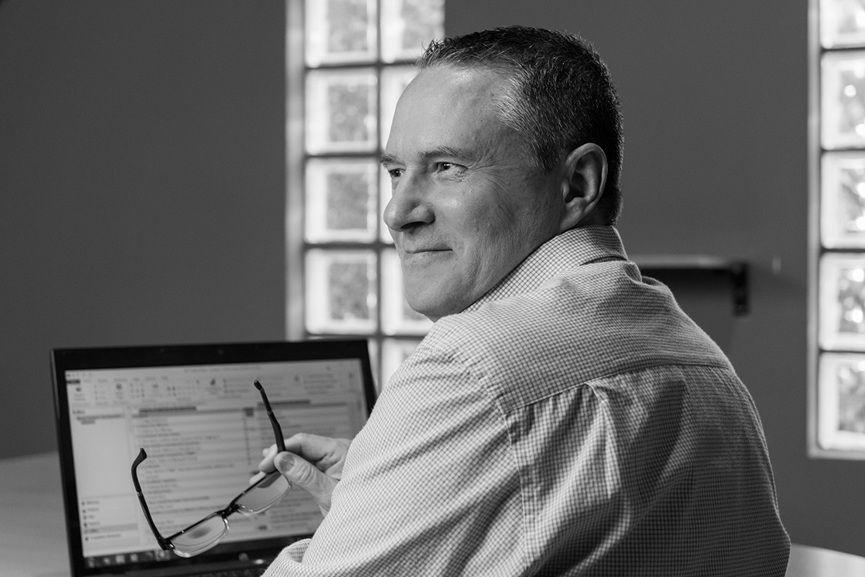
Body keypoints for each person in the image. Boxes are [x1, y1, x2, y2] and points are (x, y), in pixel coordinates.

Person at [260, 26, 790, 576]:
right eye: (397, 172)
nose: (399, 213)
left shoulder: (469, 369)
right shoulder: (704, 363)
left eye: (448, 168)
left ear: (577, 184)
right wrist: (381, 505)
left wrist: (336, 544)